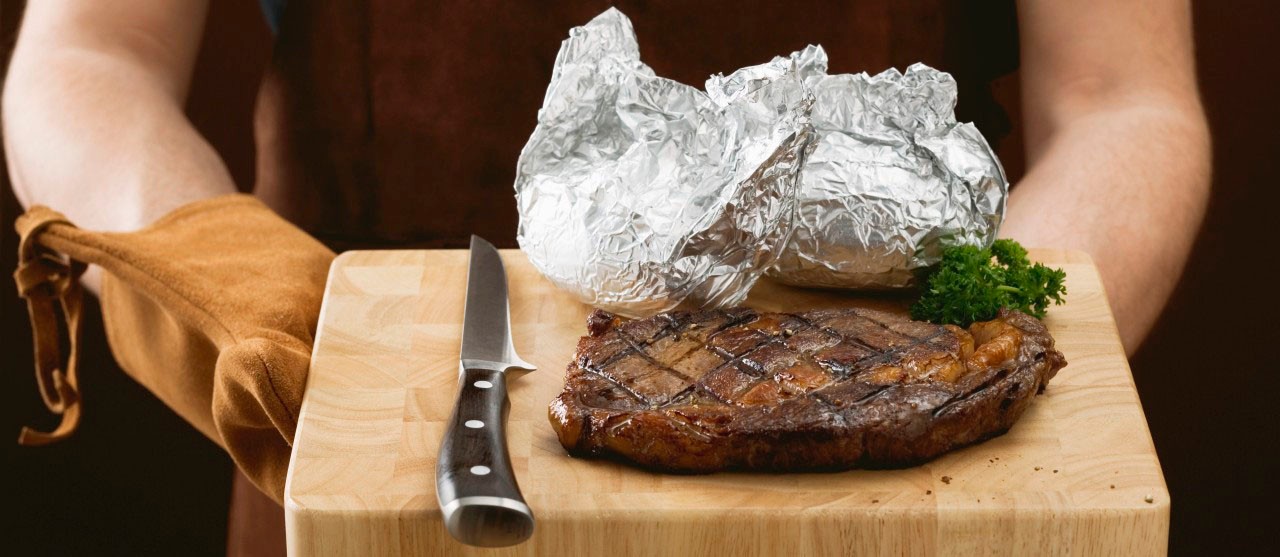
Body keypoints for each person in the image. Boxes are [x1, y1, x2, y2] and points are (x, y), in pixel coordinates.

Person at [3, 0, 1210, 552]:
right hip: (372, 452)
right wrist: (249, 304)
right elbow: (91, 55)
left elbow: (1117, 94)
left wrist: (932, 385)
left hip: (889, 504)